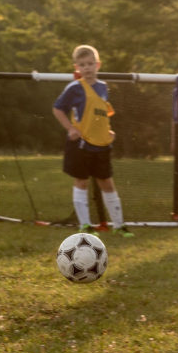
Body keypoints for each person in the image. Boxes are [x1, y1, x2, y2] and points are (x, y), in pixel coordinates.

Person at [52, 44, 134, 238]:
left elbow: (100, 114)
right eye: (82, 65)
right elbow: (57, 108)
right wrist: (71, 129)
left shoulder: (103, 87)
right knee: (81, 182)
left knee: (107, 183)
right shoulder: (74, 87)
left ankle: (119, 225)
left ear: (98, 64)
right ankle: (85, 226)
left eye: (90, 64)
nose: (87, 68)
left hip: (102, 145)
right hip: (81, 144)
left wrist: (108, 131)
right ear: (76, 68)